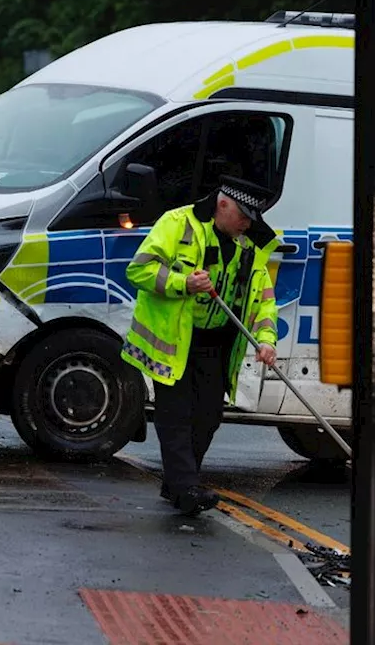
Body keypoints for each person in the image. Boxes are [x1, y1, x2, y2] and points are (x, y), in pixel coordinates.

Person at [122, 175, 281, 515]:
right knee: (175, 415)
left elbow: (264, 301)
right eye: (243, 217)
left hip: (217, 343)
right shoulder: (177, 224)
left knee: (207, 417)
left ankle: (177, 484)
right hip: (175, 339)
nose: (246, 225)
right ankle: (186, 489)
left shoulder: (248, 244)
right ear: (223, 204)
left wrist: (266, 340)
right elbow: (139, 271)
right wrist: (184, 282)